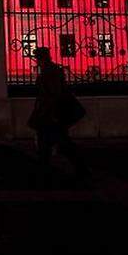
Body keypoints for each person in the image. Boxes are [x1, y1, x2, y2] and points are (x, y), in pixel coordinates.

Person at [28, 47, 90, 180]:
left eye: (37, 58)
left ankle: (79, 169)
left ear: (41, 58)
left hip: (51, 114)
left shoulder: (49, 72)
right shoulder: (52, 70)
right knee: (52, 143)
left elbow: (53, 95)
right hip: (51, 113)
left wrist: (50, 113)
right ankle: (47, 170)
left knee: (57, 144)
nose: (36, 61)